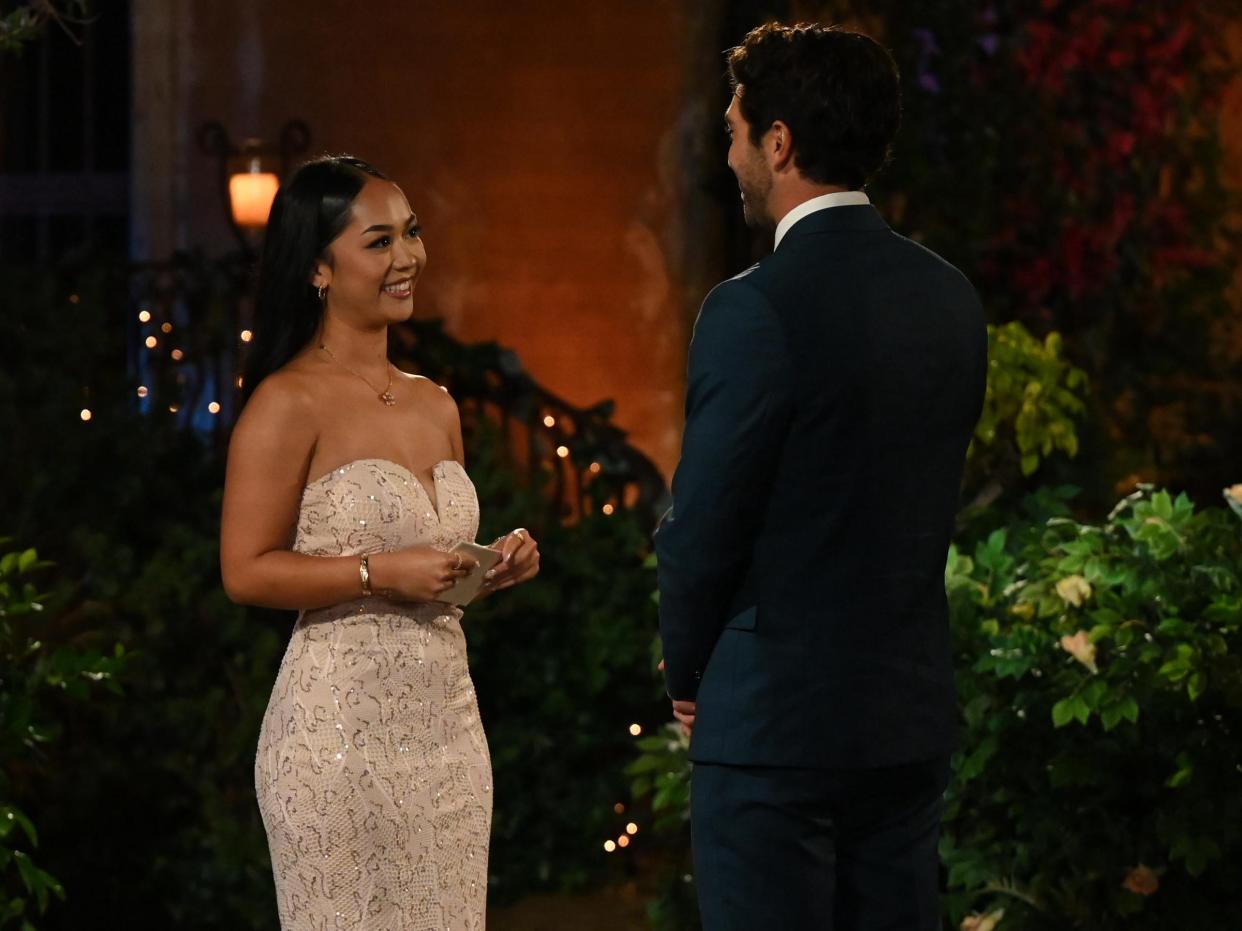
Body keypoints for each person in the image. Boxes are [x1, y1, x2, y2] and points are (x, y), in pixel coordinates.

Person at [655, 23, 987, 931]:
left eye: (733, 131)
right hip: (903, 718)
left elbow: (705, 524)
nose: (728, 157)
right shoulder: (949, 297)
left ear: (779, 141)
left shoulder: (752, 307)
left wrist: (690, 671)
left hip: (773, 733)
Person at [219, 155, 540, 930]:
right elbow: (244, 570)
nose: (408, 258)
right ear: (320, 270)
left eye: (413, 233)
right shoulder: (285, 400)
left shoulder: (437, 403)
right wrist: (374, 570)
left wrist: (485, 570)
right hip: (335, 745)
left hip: (450, 738)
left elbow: (433, 571)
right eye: (379, 241)